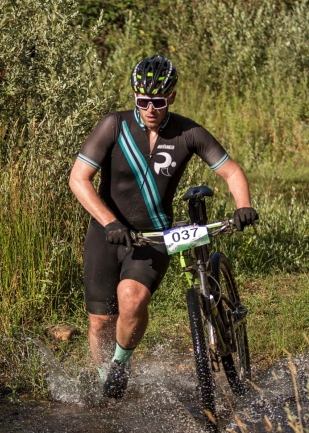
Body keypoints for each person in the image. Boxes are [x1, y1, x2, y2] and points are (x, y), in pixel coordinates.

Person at [68, 54, 258, 400]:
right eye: (142, 101)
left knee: (132, 297)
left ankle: (120, 365)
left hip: (154, 235)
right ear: (135, 98)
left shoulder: (188, 132)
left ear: (170, 97)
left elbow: (231, 171)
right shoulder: (114, 125)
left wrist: (243, 206)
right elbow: (79, 179)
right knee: (100, 321)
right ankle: (105, 384)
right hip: (106, 233)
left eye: (157, 101)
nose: (150, 108)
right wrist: (109, 221)